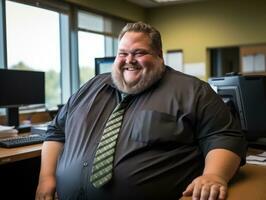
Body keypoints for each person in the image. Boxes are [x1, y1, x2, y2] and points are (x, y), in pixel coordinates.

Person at [35, 21, 246, 200]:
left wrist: (214, 175)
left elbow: (223, 137)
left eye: (139, 53)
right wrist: (47, 177)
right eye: (123, 53)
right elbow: (57, 132)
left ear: (159, 55)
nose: (129, 60)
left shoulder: (193, 91)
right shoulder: (90, 88)